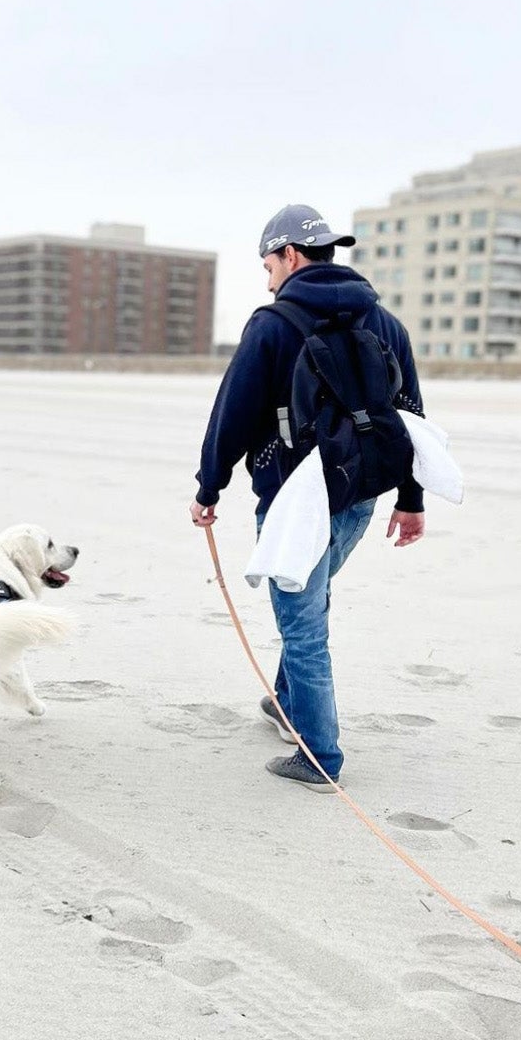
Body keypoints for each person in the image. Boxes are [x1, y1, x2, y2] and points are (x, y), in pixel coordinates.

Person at [189, 204, 426, 788]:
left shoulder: (272, 325)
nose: (268, 278)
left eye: (268, 264)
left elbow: (232, 413)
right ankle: (286, 703)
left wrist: (208, 487)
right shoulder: (384, 322)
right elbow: (411, 416)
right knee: (310, 602)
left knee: (303, 628)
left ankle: (318, 756)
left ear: (290, 255)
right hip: (360, 493)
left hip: (293, 502)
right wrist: (410, 498)